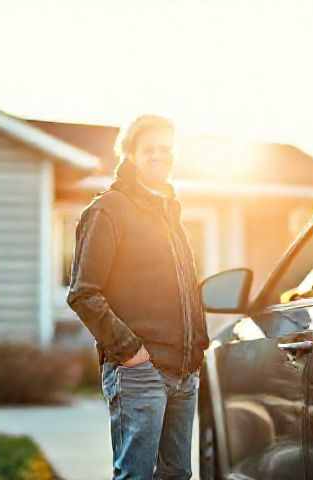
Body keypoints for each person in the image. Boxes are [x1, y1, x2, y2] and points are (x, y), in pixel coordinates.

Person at [67, 114, 209, 480]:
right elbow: (84, 294)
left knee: (177, 474)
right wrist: (131, 352)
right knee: (136, 476)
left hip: (184, 370)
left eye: (166, 149)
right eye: (149, 150)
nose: (159, 156)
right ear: (129, 153)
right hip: (140, 372)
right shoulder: (108, 210)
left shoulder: (168, 213)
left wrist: (197, 352)